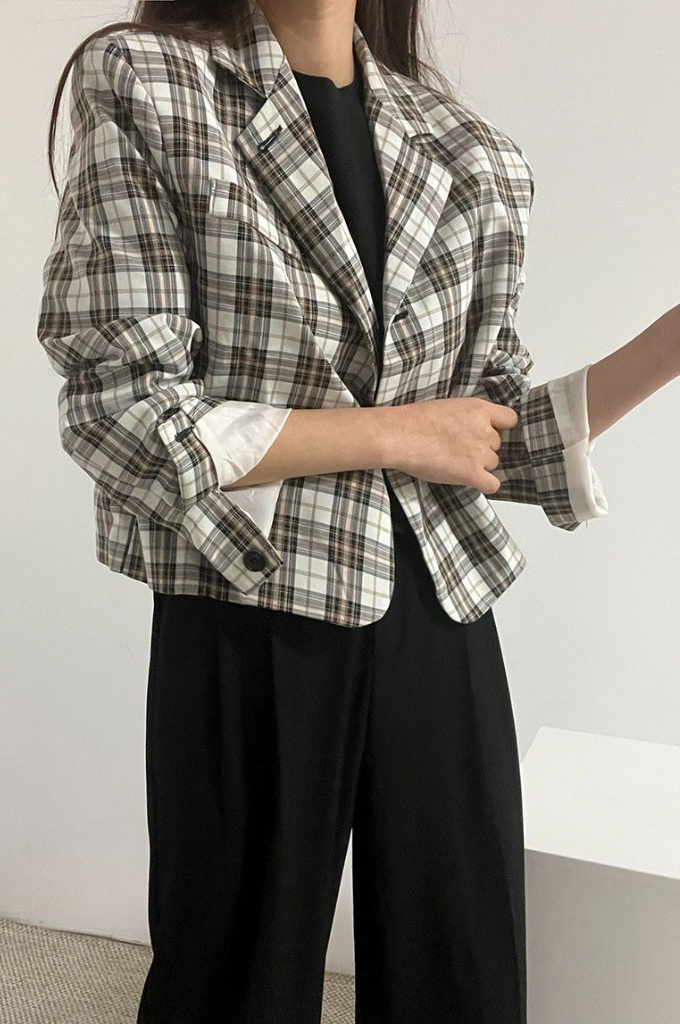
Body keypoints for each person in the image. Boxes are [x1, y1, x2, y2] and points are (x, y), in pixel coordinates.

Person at [37, 1, 680, 1022]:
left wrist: (670, 341)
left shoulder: (467, 150)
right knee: (233, 979)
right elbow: (124, 414)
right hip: (247, 601)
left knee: (462, 975)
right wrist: (395, 434)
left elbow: (482, 435)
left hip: (438, 610)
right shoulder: (148, 81)